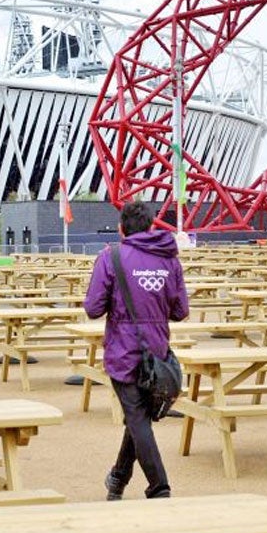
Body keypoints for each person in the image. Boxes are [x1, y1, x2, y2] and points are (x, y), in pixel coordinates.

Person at [83, 202, 189, 500]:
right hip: (156, 351)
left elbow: (92, 308)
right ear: (151, 226)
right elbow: (180, 311)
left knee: (138, 420)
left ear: (121, 229)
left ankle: (159, 488)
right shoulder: (170, 259)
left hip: (124, 352)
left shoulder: (111, 257)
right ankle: (118, 478)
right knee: (137, 416)